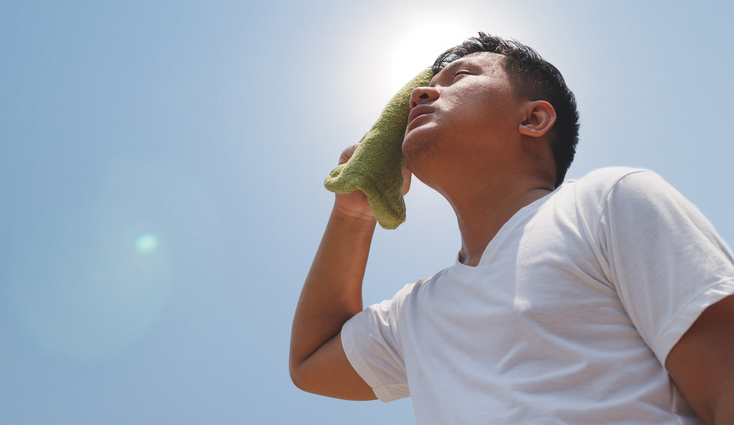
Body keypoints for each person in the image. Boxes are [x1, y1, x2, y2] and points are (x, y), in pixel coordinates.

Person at [289, 33, 734, 424]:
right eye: (424, 88)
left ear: (534, 119)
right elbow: (311, 362)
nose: (421, 94)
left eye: (459, 77)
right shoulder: (417, 313)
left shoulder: (606, 201)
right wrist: (353, 213)